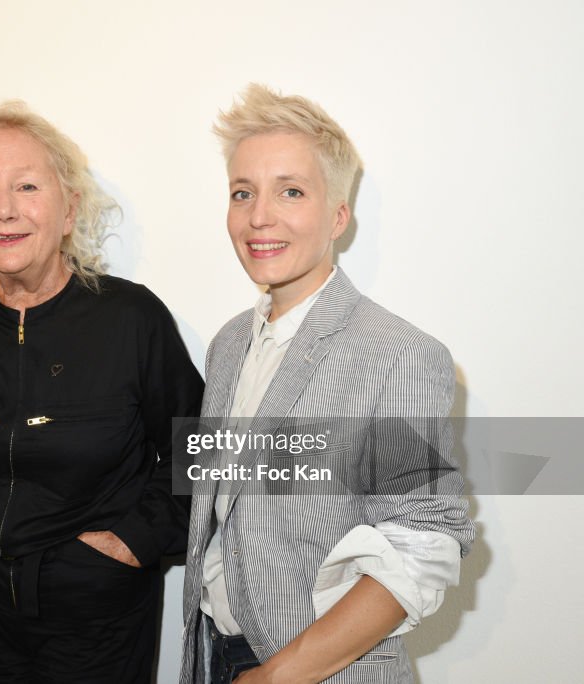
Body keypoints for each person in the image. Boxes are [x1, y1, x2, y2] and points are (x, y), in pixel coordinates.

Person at [179, 85, 475, 684]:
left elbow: (422, 548)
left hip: (318, 671)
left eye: (291, 191)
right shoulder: (228, 344)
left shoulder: (402, 353)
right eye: (243, 193)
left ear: (339, 215)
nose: (260, 216)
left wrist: (276, 676)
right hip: (212, 657)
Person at [0, 101, 204, 684]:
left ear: (69, 210)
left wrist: (132, 544)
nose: (4, 209)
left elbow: (202, 450)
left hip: (102, 626)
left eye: (27, 186)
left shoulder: (132, 319)